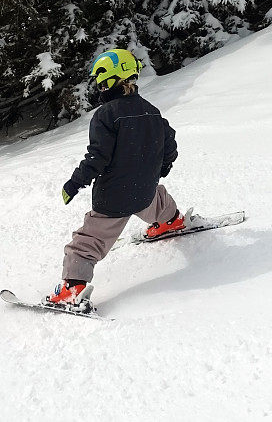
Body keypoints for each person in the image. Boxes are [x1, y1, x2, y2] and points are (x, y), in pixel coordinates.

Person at [45, 49, 185, 309]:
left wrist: (74, 183)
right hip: (144, 190)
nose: (99, 86)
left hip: (113, 198)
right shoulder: (151, 111)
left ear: (110, 80)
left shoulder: (106, 115)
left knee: (87, 242)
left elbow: (97, 157)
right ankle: (173, 222)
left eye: (100, 80)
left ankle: (72, 287)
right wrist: (160, 169)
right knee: (158, 200)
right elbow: (170, 143)